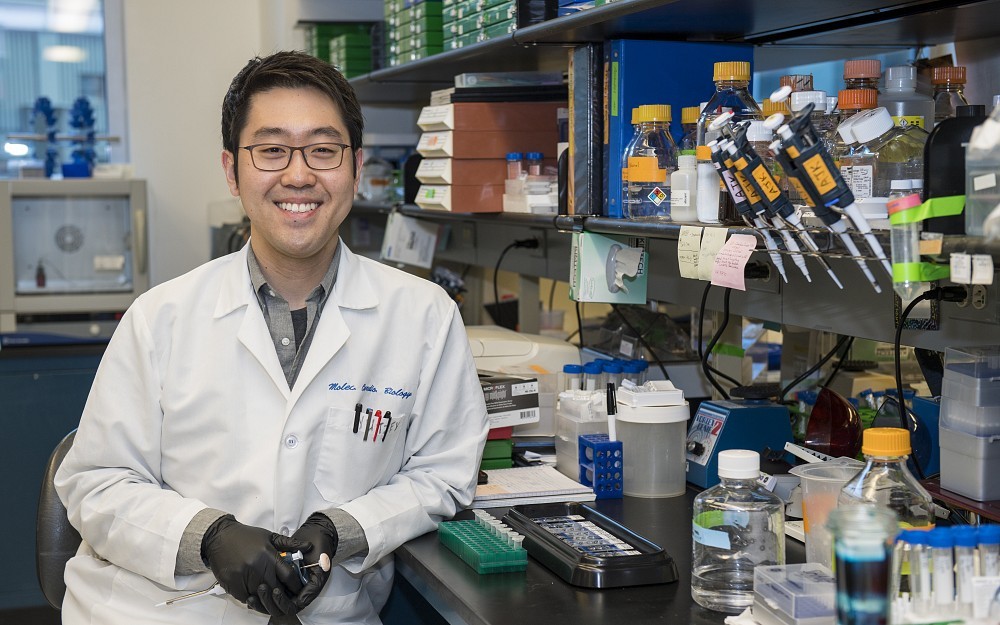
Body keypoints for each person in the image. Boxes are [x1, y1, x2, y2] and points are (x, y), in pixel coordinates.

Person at [55, 50, 489, 625]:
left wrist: (344, 528)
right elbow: (95, 481)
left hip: (327, 613)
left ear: (356, 169)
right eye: (272, 150)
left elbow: (445, 476)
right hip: (154, 610)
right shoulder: (160, 317)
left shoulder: (424, 317)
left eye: (323, 150)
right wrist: (207, 537)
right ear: (233, 171)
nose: (299, 175)